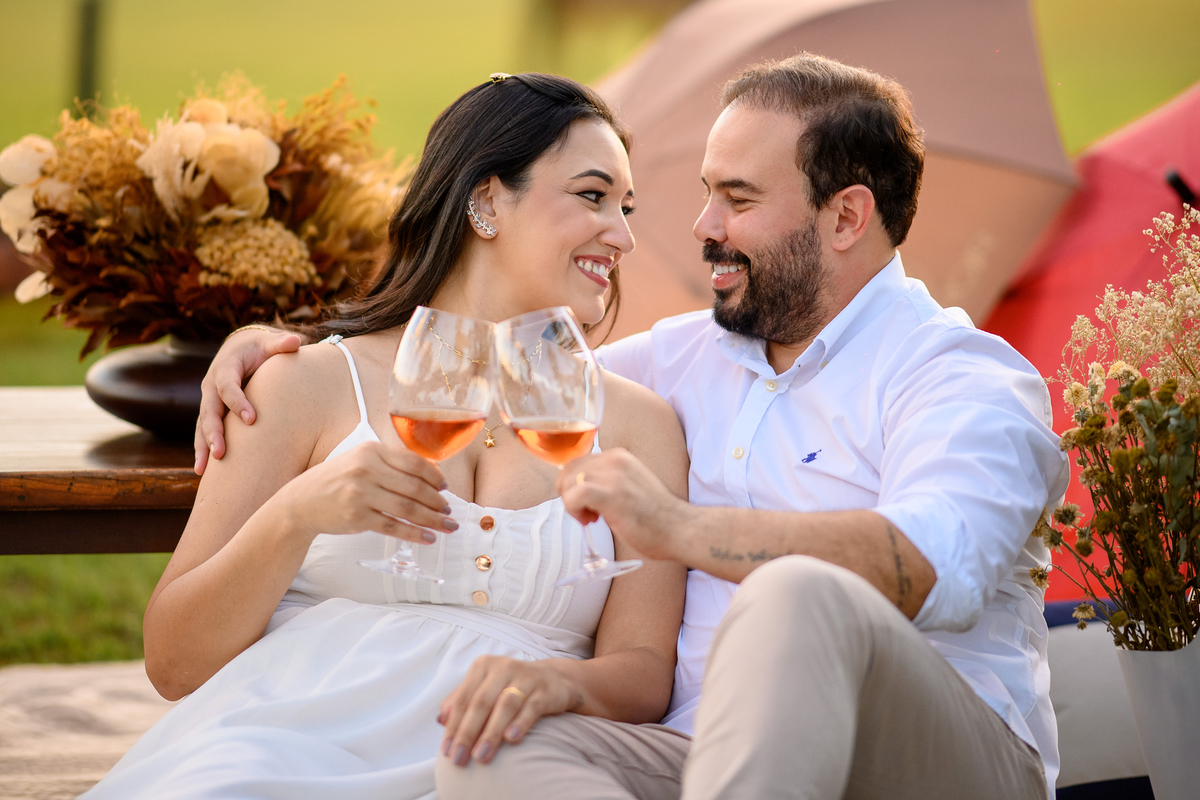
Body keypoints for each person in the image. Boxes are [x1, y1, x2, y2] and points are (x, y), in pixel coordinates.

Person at [199, 55, 1070, 800]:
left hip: (921, 758)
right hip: (693, 755)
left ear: (845, 217)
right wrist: (274, 348)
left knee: (795, 596)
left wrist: (682, 529)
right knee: (487, 749)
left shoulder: (961, 379)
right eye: (705, 193)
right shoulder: (683, 362)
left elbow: (926, 567)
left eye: (736, 198)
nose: (701, 227)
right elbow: (488, 369)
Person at [83, 73, 688, 800]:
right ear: (486, 201)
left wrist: (560, 683)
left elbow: (643, 671)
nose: (622, 235)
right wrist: (296, 515)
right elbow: (174, 662)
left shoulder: (638, 425)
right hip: (275, 748)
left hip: (497, 765)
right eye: (592, 196)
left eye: (625, 207)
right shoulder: (301, 384)